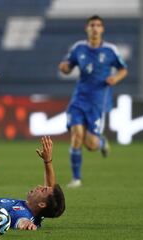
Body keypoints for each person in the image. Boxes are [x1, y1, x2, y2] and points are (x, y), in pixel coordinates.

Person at [58, 15, 128, 188]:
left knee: (91, 144)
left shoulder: (110, 50)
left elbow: (123, 69)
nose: (95, 28)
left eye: (98, 25)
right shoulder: (79, 48)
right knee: (76, 136)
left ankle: (101, 143)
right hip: (79, 99)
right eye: (92, 25)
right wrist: (64, 68)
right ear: (87, 28)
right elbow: (68, 66)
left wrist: (115, 78)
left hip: (98, 101)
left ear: (102, 29)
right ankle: (76, 179)